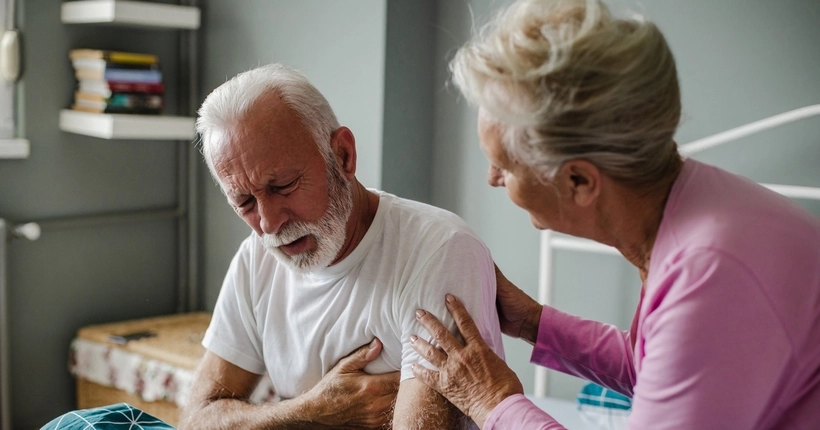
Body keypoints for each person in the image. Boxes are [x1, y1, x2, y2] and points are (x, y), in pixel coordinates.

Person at [407, 0, 820, 429]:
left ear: (579, 183)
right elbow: (656, 366)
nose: (492, 179)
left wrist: (493, 402)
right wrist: (534, 322)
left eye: (505, 167)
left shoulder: (712, 272)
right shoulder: (696, 201)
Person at [179, 64, 505, 429]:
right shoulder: (256, 260)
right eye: (244, 203)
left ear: (344, 155)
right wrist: (311, 412)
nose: (269, 224)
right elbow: (198, 419)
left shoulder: (438, 251)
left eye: (283, 185)